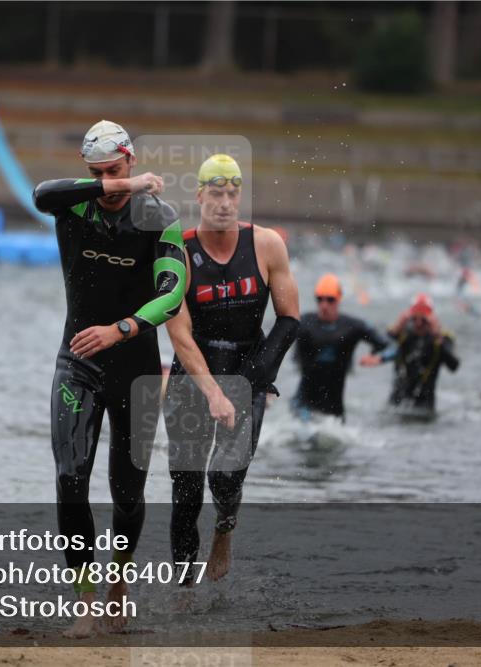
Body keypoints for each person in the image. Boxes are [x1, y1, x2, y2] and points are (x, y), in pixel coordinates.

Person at [32, 120, 187, 637]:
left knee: (128, 492)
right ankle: (85, 601)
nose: (107, 181)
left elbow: (171, 291)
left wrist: (121, 328)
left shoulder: (159, 217)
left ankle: (117, 589)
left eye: (115, 170)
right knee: (70, 478)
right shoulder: (73, 204)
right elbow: (41, 194)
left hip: (136, 367)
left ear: (131, 160)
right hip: (78, 362)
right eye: (97, 174)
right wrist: (120, 186)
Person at [163, 154, 299, 586]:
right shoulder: (178, 250)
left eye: (232, 194)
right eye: (215, 193)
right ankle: (183, 590)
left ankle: (224, 527)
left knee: (224, 478)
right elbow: (180, 334)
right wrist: (213, 393)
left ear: (240, 197)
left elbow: (290, 317)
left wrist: (259, 376)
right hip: (193, 371)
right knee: (185, 489)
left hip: (247, 370)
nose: (224, 203)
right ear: (199, 195)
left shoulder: (266, 244)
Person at [292, 273, 394, 420]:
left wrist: (380, 358)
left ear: (339, 299)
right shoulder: (303, 323)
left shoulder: (352, 327)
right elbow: (274, 344)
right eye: (319, 299)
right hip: (303, 404)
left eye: (330, 300)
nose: (324, 305)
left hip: (334, 406)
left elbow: (391, 346)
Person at [381, 293, 460, 414]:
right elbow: (379, 349)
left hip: (425, 405)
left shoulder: (441, 338)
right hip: (396, 402)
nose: (418, 323)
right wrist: (397, 327)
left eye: (423, 320)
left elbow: (454, 366)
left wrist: (437, 336)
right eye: (415, 319)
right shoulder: (402, 334)